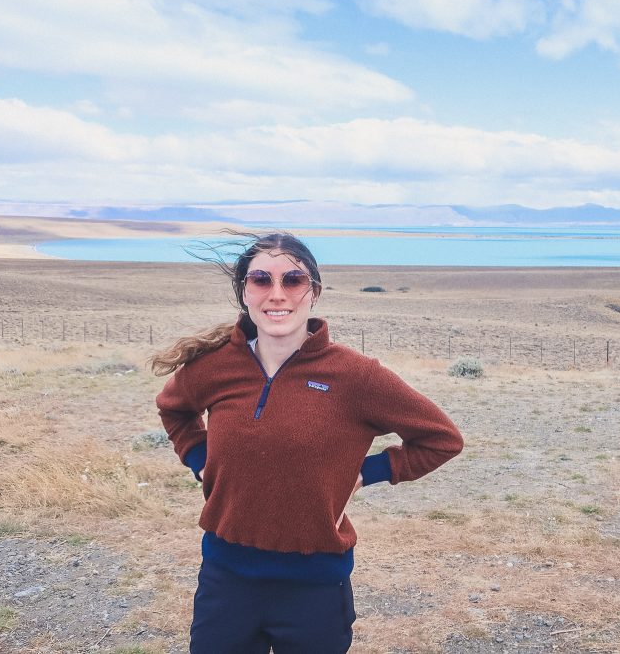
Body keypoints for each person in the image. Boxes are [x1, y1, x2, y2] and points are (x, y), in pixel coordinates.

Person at [151, 232, 463, 653]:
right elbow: (174, 408)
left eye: (292, 280)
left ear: (313, 292)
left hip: (313, 587)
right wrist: (199, 456)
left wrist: (367, 473)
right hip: (225, 579)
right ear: (244, 291)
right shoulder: (216, 366)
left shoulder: (356, 376)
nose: (276, 294)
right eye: (261, 279)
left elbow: (442, 439)